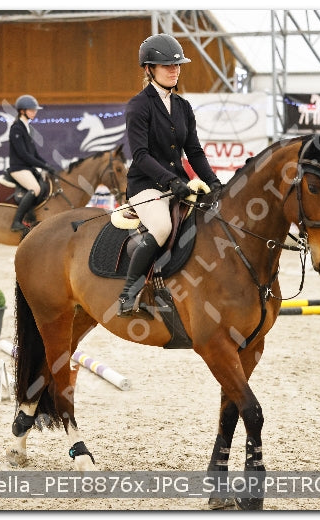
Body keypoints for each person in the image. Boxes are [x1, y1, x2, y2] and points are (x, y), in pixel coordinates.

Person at [117, 33, 222, 317]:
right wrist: (171, 181)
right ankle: (129, 292)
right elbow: (140, 155)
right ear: (149, 69)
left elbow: (194, 151)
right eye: (167, 66)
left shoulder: (184, 107)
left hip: (179, 185)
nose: (174, 70)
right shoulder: (139, 105)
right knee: (162, 227)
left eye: (177, 66)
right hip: (146, 186)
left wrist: (213, 182)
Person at [7, 94, 57, 232]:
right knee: (35, 189)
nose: (34, 112)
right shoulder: (16, 128)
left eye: (35, 110)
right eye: (31, 110)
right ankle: (16, 221)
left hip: (27, 168)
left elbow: (34, 154)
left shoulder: (26, 127)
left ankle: (32, 216)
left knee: (44, 184)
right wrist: (43, 166)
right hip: (18, 168)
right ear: (22, 111)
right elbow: (23, 154)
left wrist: (47, 165)